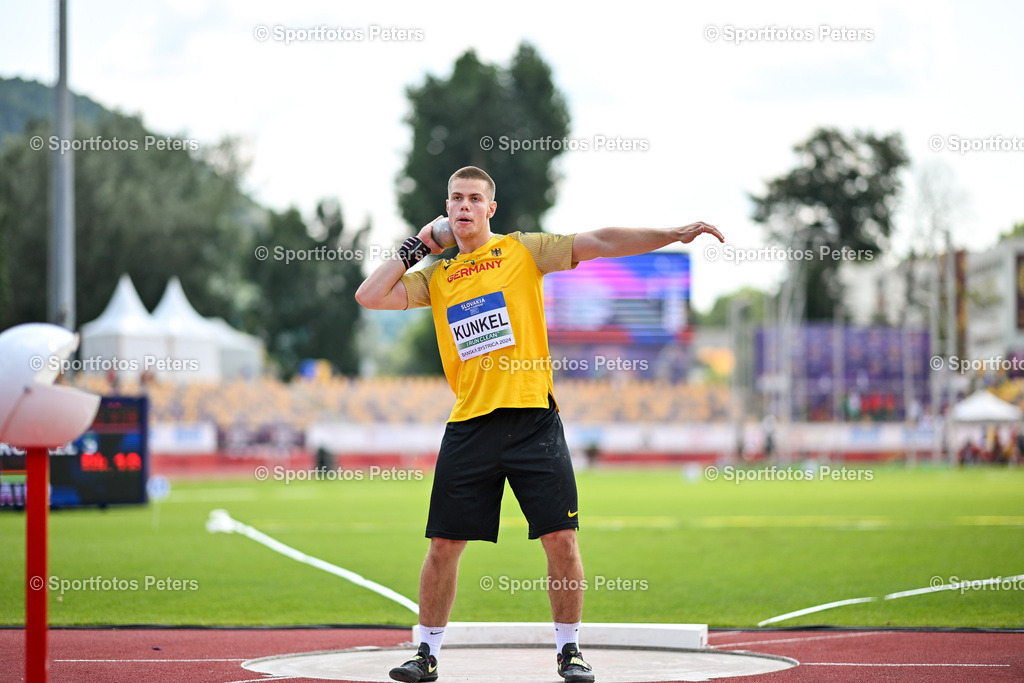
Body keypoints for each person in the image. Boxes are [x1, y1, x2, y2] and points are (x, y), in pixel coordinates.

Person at [355, 166, 724, 683]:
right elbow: (369, 295)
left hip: (533, 421)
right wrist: (418, 244)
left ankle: (570, 650)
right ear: (446, 209)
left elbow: (597, 241)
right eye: (455, 198)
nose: (463, 206)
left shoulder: (523, 250)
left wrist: (671, 234)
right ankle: (426, 653)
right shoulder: (437, 277)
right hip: (470, 425)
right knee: (442, 547)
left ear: (490, 209)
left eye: (474, 198)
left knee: (562, 540)